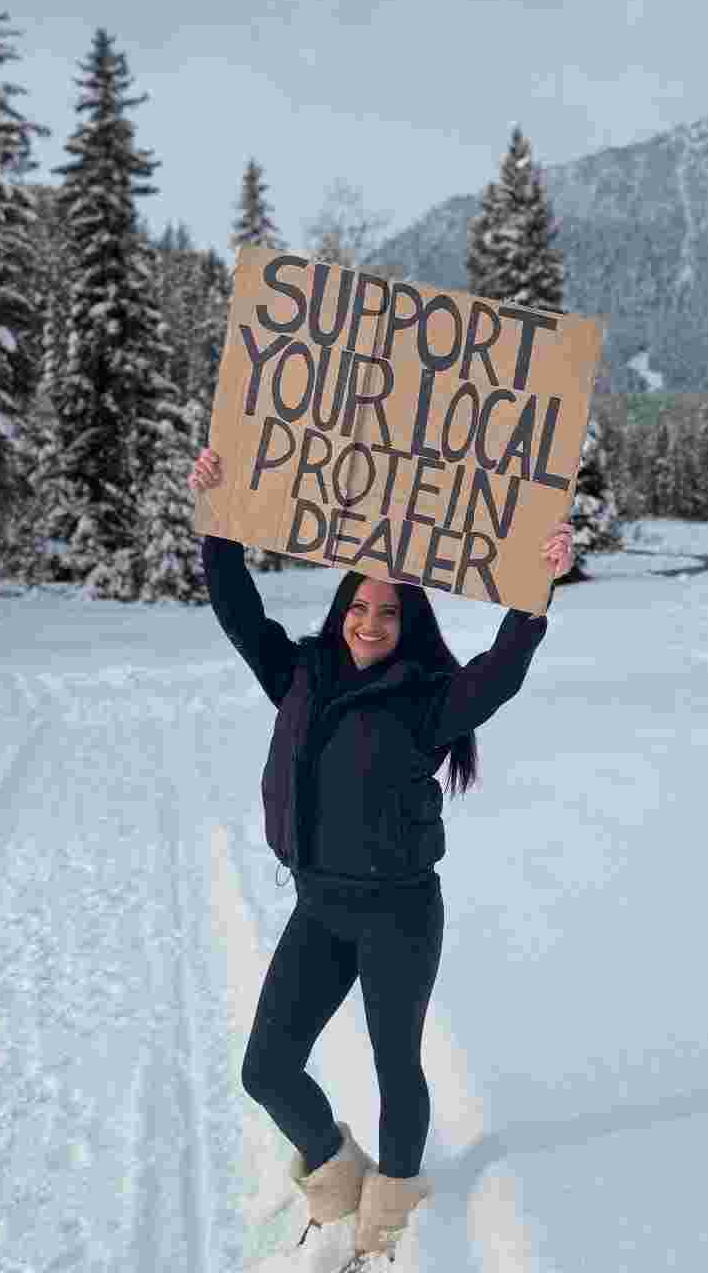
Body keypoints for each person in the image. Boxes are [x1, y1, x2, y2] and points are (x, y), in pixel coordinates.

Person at [187, 446, 573, 1266]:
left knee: (397, 1067)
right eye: (359, 606)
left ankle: (389, 1218)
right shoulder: (299, 675)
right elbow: (239, 612)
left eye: (389, 612)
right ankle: (336, 1175)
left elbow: (500, 674)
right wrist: (218, 524)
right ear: (341, 611)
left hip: (399, 913)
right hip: (320, 906)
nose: (370, 622)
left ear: (408, 624)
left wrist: (535, 591)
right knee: (267, 1069)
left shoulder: (427, 700)